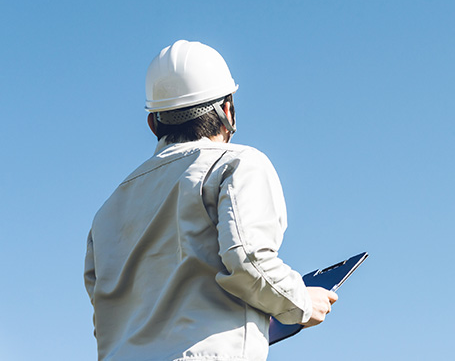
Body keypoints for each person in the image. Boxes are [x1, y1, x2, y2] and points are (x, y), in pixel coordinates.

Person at [84, 40, 337, 361]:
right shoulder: (238, 163)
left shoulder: (107, 211)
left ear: (152, 123)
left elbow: (105, 310)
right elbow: (248, 260)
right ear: (227, 111)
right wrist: (302, 301)